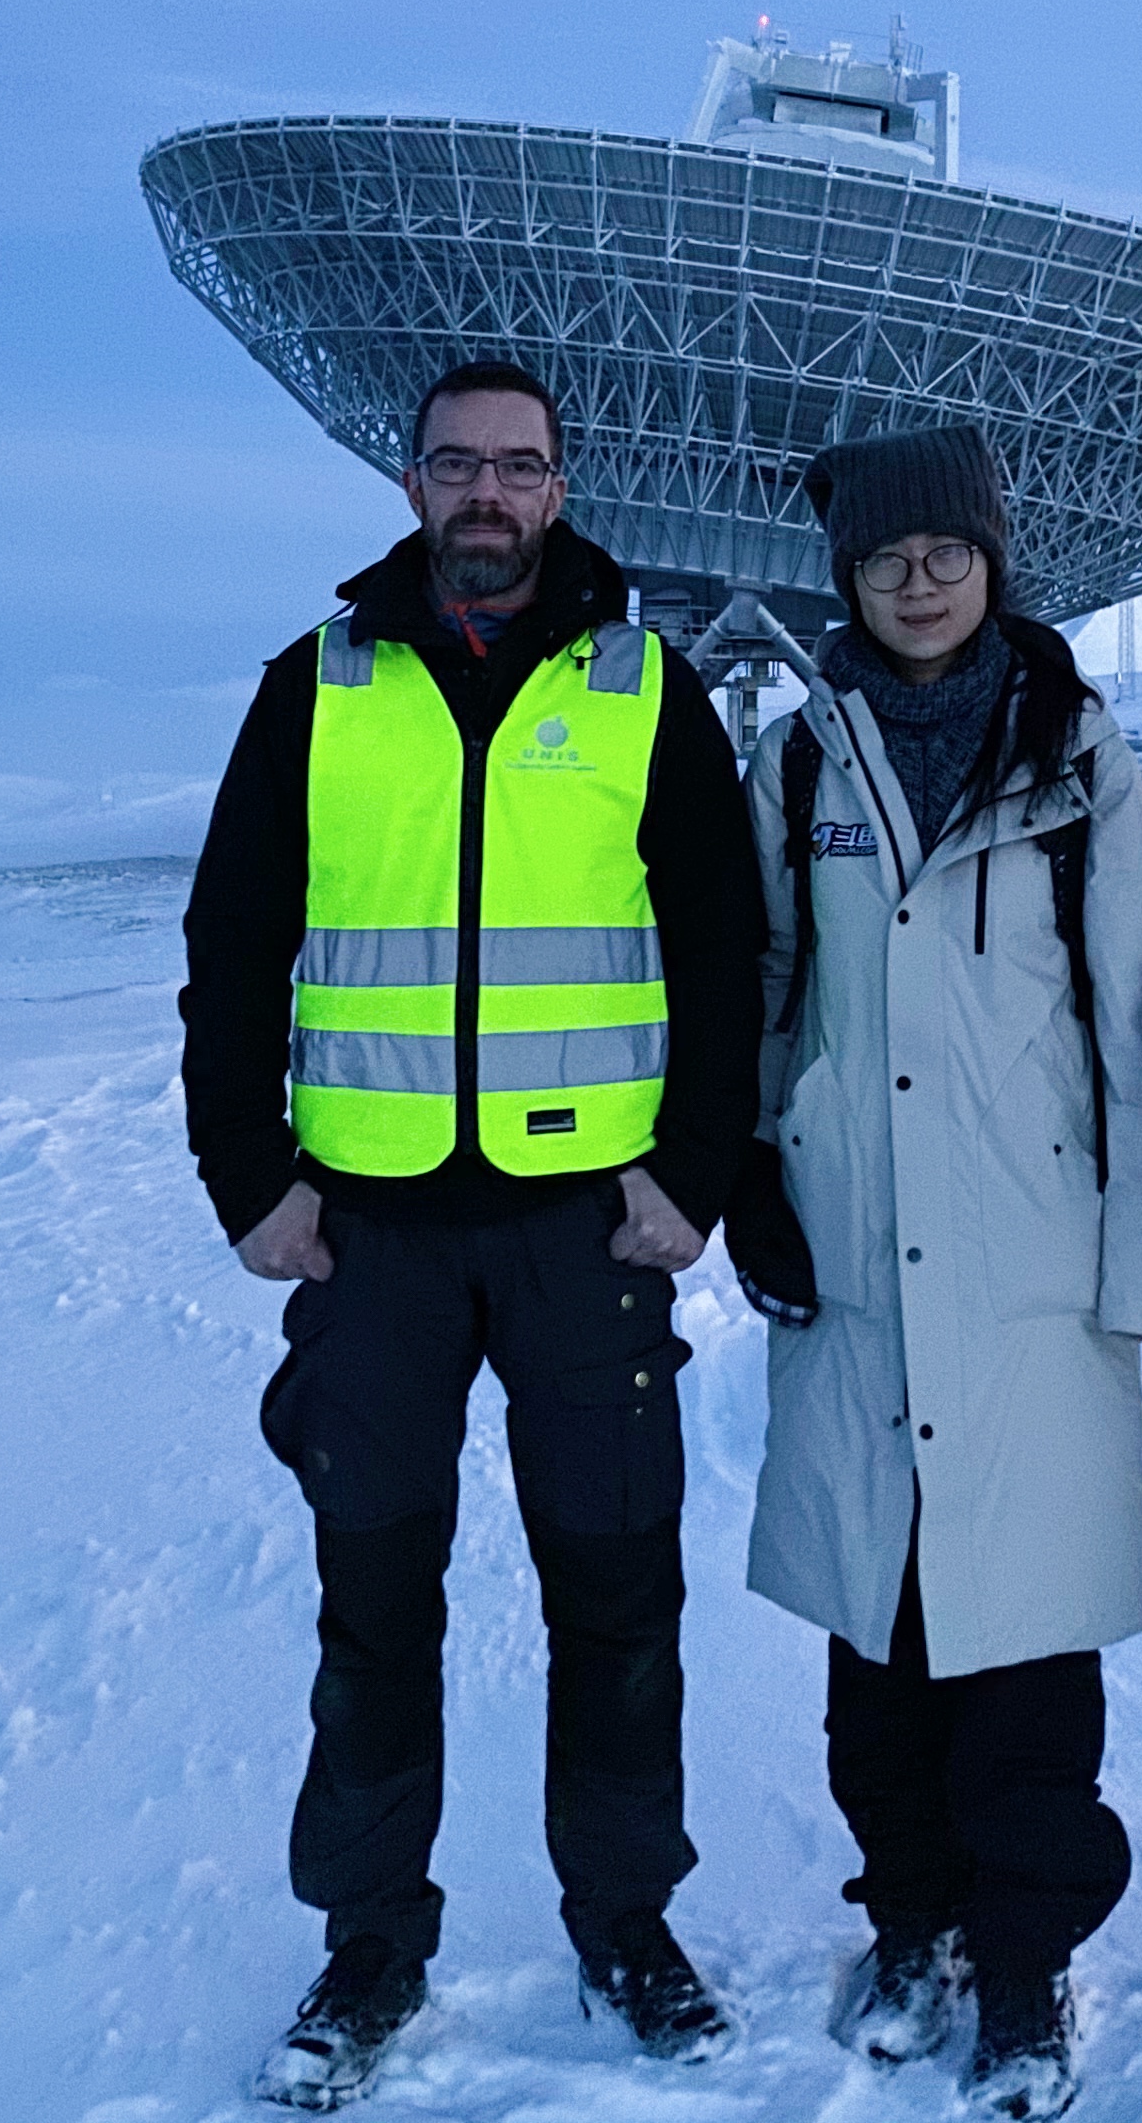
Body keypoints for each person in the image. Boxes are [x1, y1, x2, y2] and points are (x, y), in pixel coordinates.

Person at [181, 358, 768, 2107]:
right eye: (459, 464)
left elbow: (728, 953)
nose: (489, 494)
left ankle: (625, 1921)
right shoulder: (323, 685)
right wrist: (251, 1180)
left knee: (615, 1587)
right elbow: (232, 946)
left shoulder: (645, 687)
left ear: (564, 481)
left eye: (519, 465)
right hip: (373, 1239)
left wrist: (697, 1173)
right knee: (374, 1597)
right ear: (415, 478)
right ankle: (369, 1948)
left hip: (589, 1227)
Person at [725, 425, 1142, 2123]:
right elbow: (761, 985)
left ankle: (1024, 1959)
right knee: (884, 1624)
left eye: (945, 553)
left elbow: (1135, 1020)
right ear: (844, 578)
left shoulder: (1079, 754)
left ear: (993, 560)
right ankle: (912, 1918)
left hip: (1031, 1262)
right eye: (883, 560)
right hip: (857, 1253)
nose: (917, 582)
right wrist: (751, 1179)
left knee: (1025, 1638)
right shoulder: (794, 767)